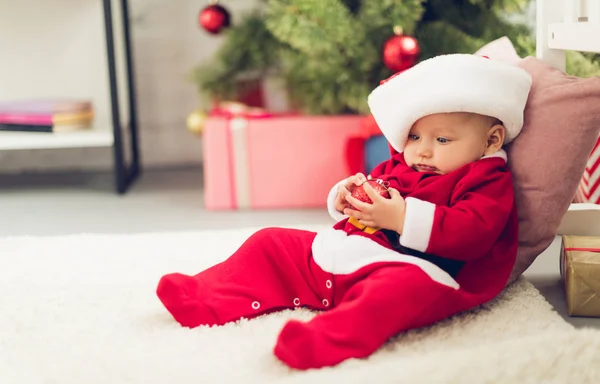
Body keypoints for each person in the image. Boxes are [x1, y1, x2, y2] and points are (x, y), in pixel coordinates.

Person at [156, 54, 533, 370]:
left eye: (443, 139)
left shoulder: (486, 180)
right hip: (350, 255)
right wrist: (347, 198)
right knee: (269, 242)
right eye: (415, 137)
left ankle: (328, 339)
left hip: (422, 272)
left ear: (491, 140)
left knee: (395, 293)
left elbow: (474, 232)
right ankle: (206, 295)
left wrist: (401, 220)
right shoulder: (404, 165)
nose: (422, 151)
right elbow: (375, 189)